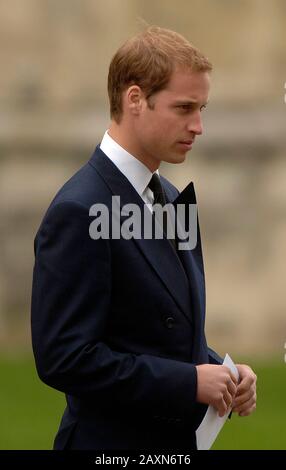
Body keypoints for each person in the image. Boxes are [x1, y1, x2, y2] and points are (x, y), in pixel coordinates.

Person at [31, 26, 256, 451]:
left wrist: (222, 373)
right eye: (185, 108)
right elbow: (63, 357)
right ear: (134, 99)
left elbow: (156, 333)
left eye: (202, 107)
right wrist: (188, 381)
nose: (199, 126)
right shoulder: (78, 210)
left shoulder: (170, 195)